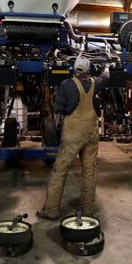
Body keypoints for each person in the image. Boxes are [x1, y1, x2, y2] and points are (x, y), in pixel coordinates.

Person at [37, 57, 110, 220]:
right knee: (89, 171)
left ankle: (51, 211)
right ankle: (89, 210)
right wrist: (107, 67)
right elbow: (106, 77)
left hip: (73, 136)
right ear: (88, 70)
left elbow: (57, 108)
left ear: (74, 69)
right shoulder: (95, 82)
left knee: (60, 171)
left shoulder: (67, 84)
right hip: (91, 134)